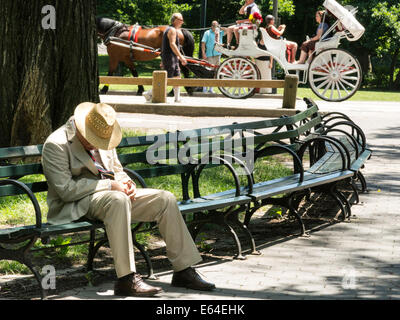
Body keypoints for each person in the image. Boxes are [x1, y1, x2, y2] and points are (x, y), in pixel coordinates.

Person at [41, 102, 216, 297]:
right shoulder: (56, 144)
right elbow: (66, 190)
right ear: (82, 128)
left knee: (164, 199)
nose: (98, 144)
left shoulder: (104, 135)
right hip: (77, 203)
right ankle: (127, 279)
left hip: (113, 197)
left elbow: (116, 170)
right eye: (93, 139)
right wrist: (110, 186)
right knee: (117, 200)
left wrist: (127, 183)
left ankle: (184, 270)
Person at [144, 13, 187, 103]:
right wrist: (181, 56)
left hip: (171, 58)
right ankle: (149, 93)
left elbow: (164, 46)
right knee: (166, 79)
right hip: (170, 58)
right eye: (181, 20)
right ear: (175, 20)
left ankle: (177, 98)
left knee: (177, 77)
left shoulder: (169, 29)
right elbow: (172, 44)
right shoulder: (172, 30)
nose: (182, 22)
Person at [201, 21, 226, 93]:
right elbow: (203, 43)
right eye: (214, 26)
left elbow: (227, 30)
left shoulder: (220, 33)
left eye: (216, 26)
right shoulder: (207, 33)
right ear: (211, 26)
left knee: (214, 72)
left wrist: (220, 28)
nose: (215, 27)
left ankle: (211, 88)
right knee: (207, 71)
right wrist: (203, 53)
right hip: (209, 55)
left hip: (217, 55)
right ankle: (204, 88)